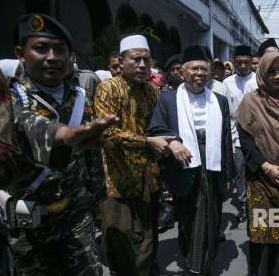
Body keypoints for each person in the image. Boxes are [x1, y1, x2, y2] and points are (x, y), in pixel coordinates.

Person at [6, 13, 120, 276]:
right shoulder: (9, 97)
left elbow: (91, 156)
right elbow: (25, 124)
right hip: (29, 224)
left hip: (76, 215)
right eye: (41, 48)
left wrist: (99, 199)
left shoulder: (80, 96)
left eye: (60, 50)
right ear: (20, 53)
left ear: (71, 56)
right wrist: (64, 136)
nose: (52, 57)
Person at [148, 45, 234, 275]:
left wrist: (229, 173)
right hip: (184, 165)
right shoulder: (167, 99)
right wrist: (174, 142)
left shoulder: (219, 100)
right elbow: (155, 128)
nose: (199, 74)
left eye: (204, 70)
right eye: (194, 69)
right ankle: (191, 257)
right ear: (183, 72)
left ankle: (203, 265)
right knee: (188, 216)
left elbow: (226, 138)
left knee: (211, 214)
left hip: (213, 162)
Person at [94, 34, 169, 276]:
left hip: (148, 177)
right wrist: (146, 142)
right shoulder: (108, 88)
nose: (142, 65)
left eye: (146, 60)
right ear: (121, 60)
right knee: (119, 239)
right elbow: (108, 132)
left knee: (148, 236)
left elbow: (160, 127)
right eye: (136, 59)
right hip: (117, 178)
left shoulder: (152, 91)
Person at [235, 52, 279, 276]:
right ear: (262, 73)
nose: (277, 76)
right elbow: (245, 139)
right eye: (271, 72)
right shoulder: (251, 101)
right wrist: (266, 167)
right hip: (260, 177)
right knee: (261, 232)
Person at [223, 45, 258, 223]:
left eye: (246, 62)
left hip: (258, 136)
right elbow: (227, 113)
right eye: (239, 63)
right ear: (234, 62)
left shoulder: (259, 79)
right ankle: (244, 204)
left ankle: (257, 204)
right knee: (239, 171)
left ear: (252, 62)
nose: (243, 66)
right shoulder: (227, 83)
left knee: (257, 170)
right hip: (236, 136)